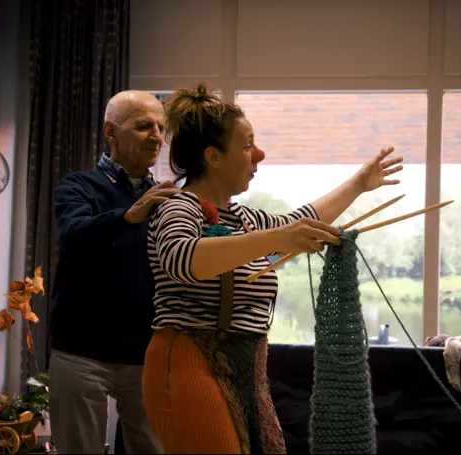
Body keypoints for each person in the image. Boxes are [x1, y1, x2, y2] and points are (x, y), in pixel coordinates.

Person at [142, 83, 403, 454]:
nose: (259, 155)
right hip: (188, 362)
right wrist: (278, 238)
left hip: (245, 365)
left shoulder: (245, 219)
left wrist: (359, 184)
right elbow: (183, 259)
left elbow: (302, 221)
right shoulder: (178, 206)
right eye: (247, 145)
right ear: (214, 156)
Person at [48, 90, 178, 454]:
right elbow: (73, 234)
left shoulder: (164, 199)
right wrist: (130, 215)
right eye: (143, 126)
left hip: (147, 355)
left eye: (160, 127)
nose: (156, 136)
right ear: (111, 132)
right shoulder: (77, 186)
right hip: (80, 353)